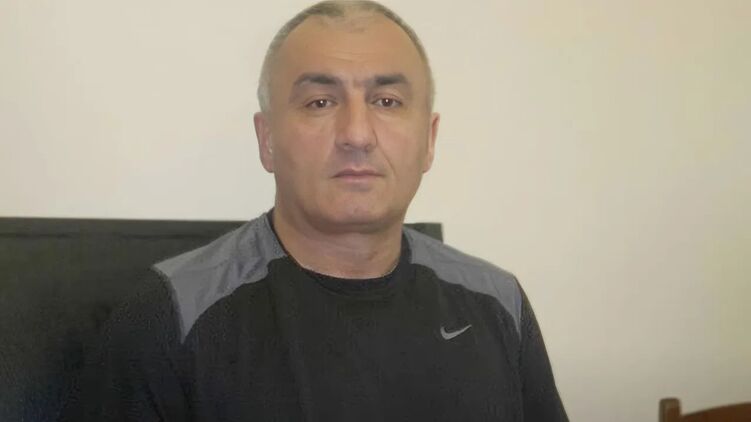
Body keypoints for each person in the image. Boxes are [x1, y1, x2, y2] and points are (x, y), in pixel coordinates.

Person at [63, 1, 568, 420]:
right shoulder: (169, 316)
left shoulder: (499, 303)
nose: (357, 134)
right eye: (320, 103)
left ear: (429, 140)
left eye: (387, 102)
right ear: (267, 140)